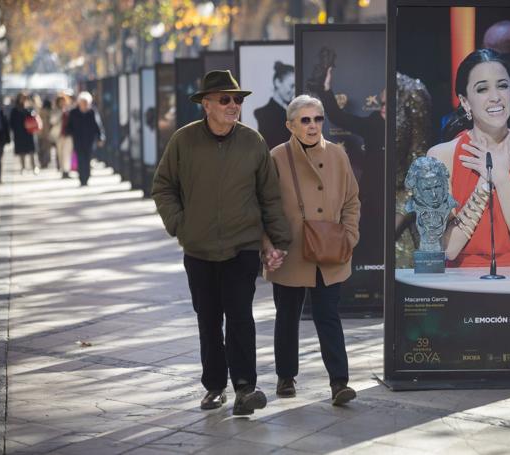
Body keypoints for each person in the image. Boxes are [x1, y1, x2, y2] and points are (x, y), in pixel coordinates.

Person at [152, 70, 291, 416]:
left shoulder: (252, 141)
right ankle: (214, 386)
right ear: (207, 104)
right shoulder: (183, 142)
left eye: (238, 100)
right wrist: (180, 225)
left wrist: (278, 240)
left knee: (241, 315)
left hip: (241, 246)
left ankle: (245, 387)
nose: (234, 105)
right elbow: (163, 186)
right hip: (198, 249)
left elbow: (269, 196)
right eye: (226, 99)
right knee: (209, 319)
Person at [261, 94, 360, 405]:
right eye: (305, 120)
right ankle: (286, 376)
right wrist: (269, 247)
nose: (313, 125)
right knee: (287, 315)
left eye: (318, 118)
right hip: (290, 252)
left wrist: (349, 236)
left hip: (330, 251)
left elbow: (352, 201)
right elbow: (265, 206)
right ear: (290, 125)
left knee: (328, 314)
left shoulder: (338, 155)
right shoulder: (276, 157)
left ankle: (339, 382)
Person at [429, 49, 510, 267]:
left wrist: (502, 177)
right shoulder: (441, 156)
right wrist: (485, 182)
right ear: (465, 102)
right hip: (458, 284)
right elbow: (448, 249)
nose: (495, 97)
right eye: (482, 89)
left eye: (503, 86)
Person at [316, 66, 384, 267]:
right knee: (368, 245)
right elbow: (338, 118)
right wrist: (326, 90)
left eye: (388, 104)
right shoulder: (374, 123)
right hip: (373, 195)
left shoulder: (407, 124)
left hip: (398, 194)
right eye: (381, 103)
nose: (382, 108)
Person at [254, 61, 295, 149]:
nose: (294, 91)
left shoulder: (293, 112)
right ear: (277, 82)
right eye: (291, 86)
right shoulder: (263, 114)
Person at [66, 91, 104, 186]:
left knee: (87, 159)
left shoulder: (92, 112)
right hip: (77, 140)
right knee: (80, 159)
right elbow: (69, 126)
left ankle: (86, 177)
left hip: (89, 141)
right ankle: (81, 178)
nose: (84, 105)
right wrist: (68, 133)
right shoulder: (73, 113)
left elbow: (98, 126)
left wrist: (100, 137)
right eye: (82, 102)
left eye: (86, 103)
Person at [9, 92, 40, 174]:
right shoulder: (15, 110)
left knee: (32, 151)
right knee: (21, 151)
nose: (23, 100)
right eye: (22, 98)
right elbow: (11, 122)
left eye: (25, 98)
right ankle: (23, 167)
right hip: (19, 133)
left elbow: (35, 118)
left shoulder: (30, 108)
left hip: (29, 133)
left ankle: (34, 166)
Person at [50, 94, 74, 179]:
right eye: (60, 102)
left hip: (68, 135)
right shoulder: (55, 111)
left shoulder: (70, 110)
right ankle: (63, 171)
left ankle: (67, 171)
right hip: (59, 135)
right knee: (60, 154)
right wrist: (60, 113)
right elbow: (52, 121)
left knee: (67, 153)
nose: (62, 103)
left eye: (64, 101)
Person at [38, 98, 53, 169]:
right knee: (47, 149)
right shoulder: (51, 112)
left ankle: (42, 162)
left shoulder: (40, 111)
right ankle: (46, 161)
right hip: (48, 133)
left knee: (42, 149)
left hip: (40, 133)